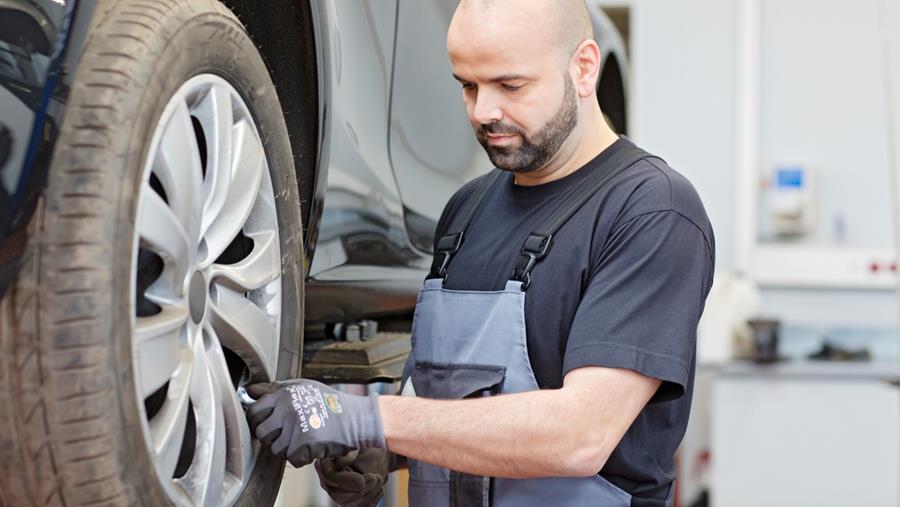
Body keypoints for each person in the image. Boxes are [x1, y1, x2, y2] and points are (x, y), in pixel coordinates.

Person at [246, 0, 715, 505]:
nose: (483, 111)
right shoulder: (465, 211)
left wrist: (370, 419)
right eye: (468, 85)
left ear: (582, 68)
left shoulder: (651, 210)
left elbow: (581, 435)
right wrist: (386, 452)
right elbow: (442, 399)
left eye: (510, 86)